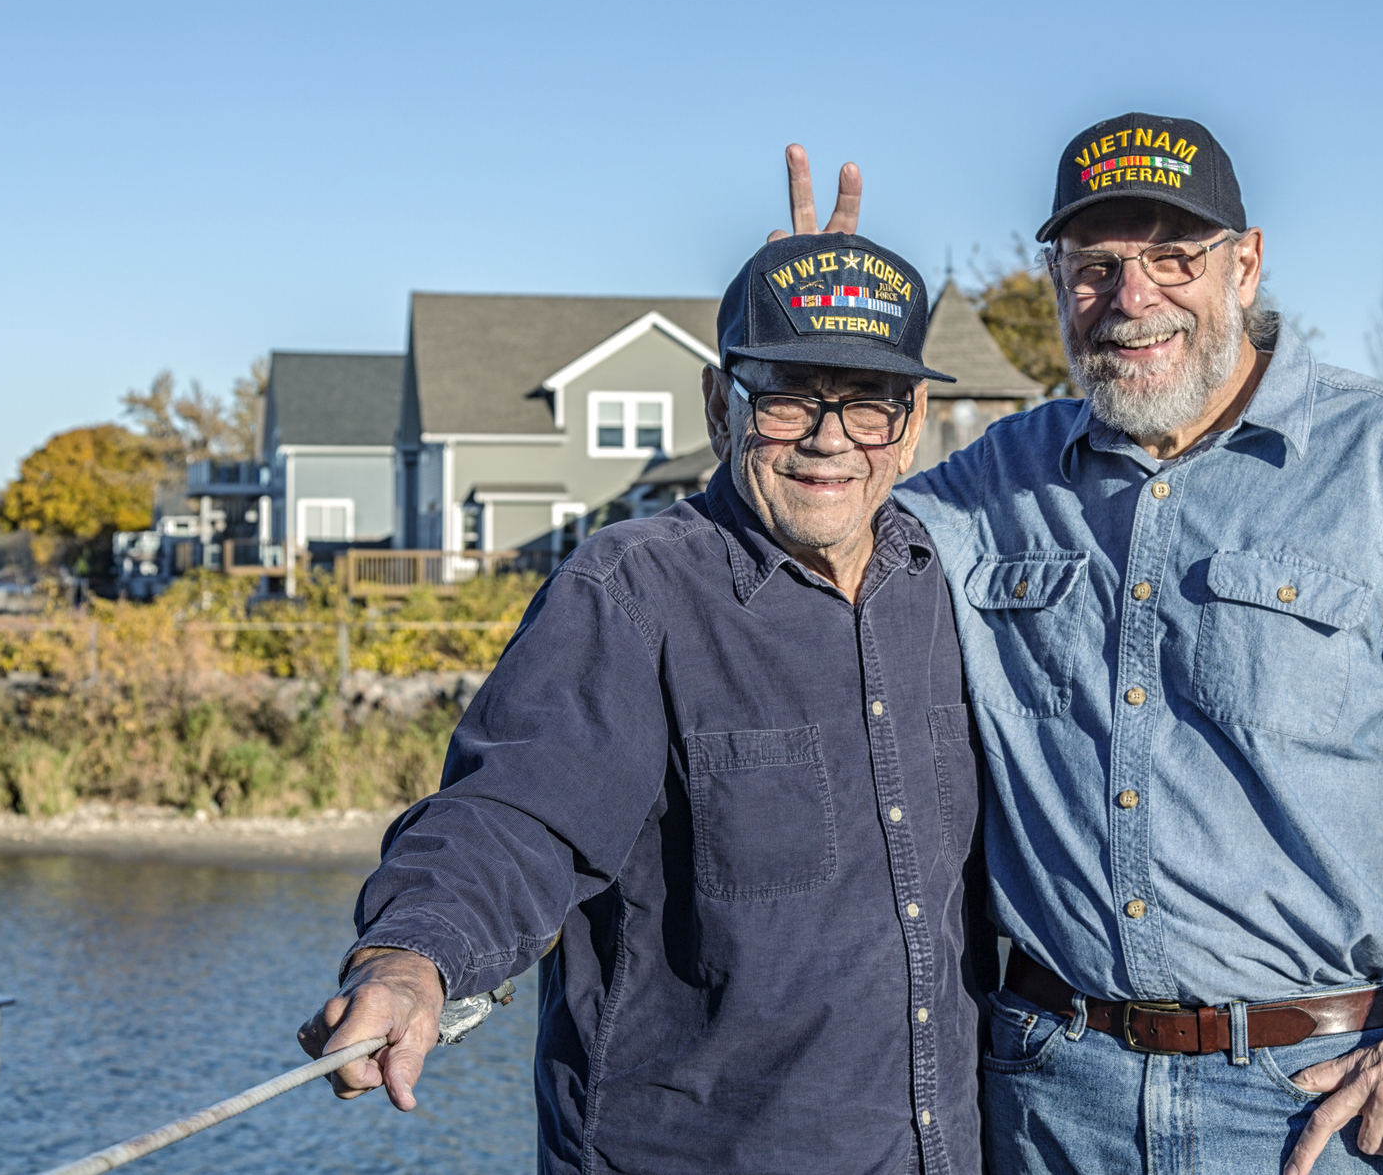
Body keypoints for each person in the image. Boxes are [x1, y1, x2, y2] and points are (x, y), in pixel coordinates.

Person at [778, 116, 1383, 1175]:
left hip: (1313, 1107)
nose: (1131, 297)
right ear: (1057, 282)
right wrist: (817, 345)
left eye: (1172, 258)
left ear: (1244, 266)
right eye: (1094, 266)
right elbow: (814, 528)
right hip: (1049, 1098)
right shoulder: (991, 482)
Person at [297, 226, 997, 1175]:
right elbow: (514, 816)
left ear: (910, 424)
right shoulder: (630, 592)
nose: (829, 438)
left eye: (868, 403)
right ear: (719, 405)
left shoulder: (949, 584)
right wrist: (412, 959)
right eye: (789, 397)